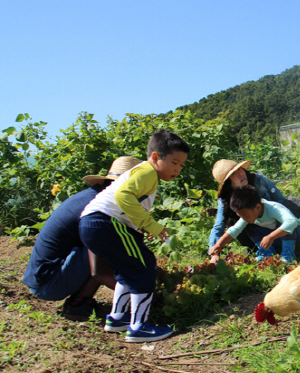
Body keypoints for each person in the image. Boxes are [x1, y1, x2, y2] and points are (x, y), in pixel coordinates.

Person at [79, 130, 189, 343]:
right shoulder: (147, 172)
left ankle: (117, 318)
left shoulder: (144, 173)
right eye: (175, 162)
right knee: (144, 266)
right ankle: (139, 327)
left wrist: (140, 228)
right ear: (156, 157)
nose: (178, 169)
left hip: (93, 224)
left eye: (181, 165)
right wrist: (150, 225)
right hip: (105, 222)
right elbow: (123, 196)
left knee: (128, 269)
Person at [22, 156, 142, 321]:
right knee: (107, 244)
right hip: (49, 283)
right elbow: (100, 272)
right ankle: (78, 305)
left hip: (45, 276)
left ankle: (79, 301)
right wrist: (142, 295)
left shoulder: (92, 197)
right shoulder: (97, 209)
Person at [208, 159, 291, 263]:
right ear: (228, 182)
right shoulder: (224, 199)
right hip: (253, 231)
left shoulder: (259, 180)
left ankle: (285, 246)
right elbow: (218, 226)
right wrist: (214, 253)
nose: (240, 173)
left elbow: (281, 201)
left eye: (239, 169)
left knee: (290, 205)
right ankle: (262, 249)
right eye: (233, 173)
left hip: (276, 224)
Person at [208, 185, 300, 264]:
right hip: (275, 239)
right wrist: (218, 245)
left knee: (284, 224)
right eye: (241, 216)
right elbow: (234, 230)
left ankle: (288, 255)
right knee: (249, 226)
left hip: (295, 234)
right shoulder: (250, 214)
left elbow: (292, 222)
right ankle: (268, 253)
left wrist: (270, 237)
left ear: (258, 207)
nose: (244, 218)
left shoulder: (273, 208)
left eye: (245, 215)